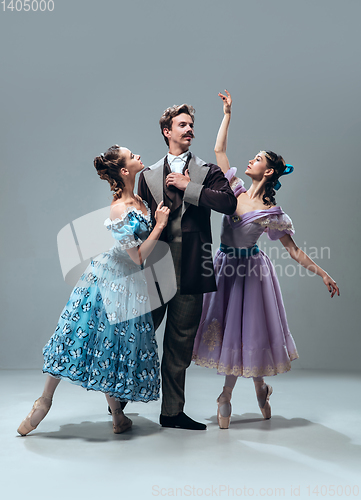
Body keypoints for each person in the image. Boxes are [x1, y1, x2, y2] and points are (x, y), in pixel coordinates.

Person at [192, 91, 340, 429]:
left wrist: (322, 273)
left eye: (258, 158)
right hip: (224, 268)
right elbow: (219, 151)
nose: (251, 160)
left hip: (252, 274)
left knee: (249, 332)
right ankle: (252, 390)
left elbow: (293, 250)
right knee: (230, 331)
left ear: (268, 170)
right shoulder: (236, 191)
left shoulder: (273, 213)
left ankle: (231, 394)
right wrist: (227, 113)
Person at [17, 145, 170, 436]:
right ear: (125, 171)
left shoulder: (139, 201)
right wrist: (159, 226)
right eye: (132, 155)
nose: (138, 155)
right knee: (78, 334)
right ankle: (45, 401)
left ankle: (117, 416)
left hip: (129, 285)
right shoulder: (119, 208)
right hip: (108, 280)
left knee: (110, 346)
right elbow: (138, 257)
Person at [137, 104, 237, 430]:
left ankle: (171, 413)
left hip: (193, 267)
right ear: (167, 131)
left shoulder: (208, 171)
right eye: (182, 124)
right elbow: (137, 224)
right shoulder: (147, 175)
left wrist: (187, 187)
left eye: (191, 124)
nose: (189, 129)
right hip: (154, 269)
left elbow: (228, 203)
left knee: (180, 345)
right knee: (136, 337)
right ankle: (118, 402)